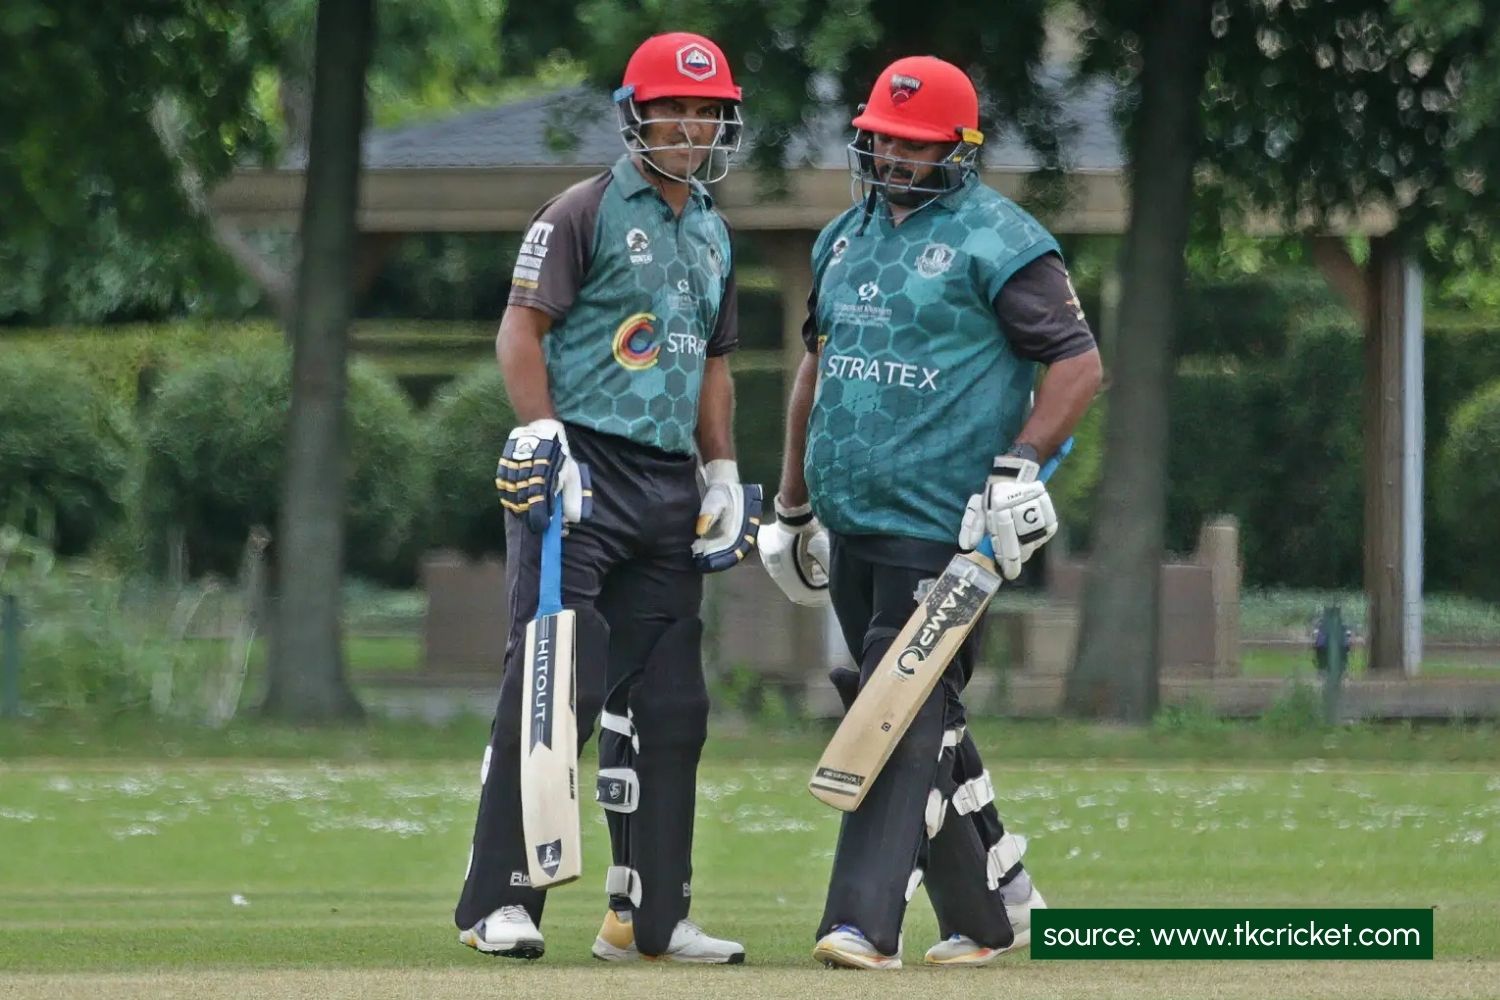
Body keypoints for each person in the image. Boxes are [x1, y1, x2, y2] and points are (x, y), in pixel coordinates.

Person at [759, 54, 1103, 970]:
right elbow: (817, 373)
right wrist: (790, 506)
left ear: (959, 148)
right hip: (851, 520)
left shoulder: (1005, 240)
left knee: (894, 708)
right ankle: (991, 913)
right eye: (885, 141)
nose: (897, 159)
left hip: (949, 528)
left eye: (918, 146)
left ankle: (860, 925)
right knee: (923, 711)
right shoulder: (840, 237)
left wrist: (1022, 467)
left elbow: (1078, 366)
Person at [454, 31, 758, 965]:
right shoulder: (581, 210)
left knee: (672, 703)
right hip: (577, 471)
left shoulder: (710, 228)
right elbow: (520, 330)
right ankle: (500, 902)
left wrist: (719, 473)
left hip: (667, 484)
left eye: (708, 111)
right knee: (556, 679)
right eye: (675, 108)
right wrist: (544, 433)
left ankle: (651, 920)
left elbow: (713, 368)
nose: (692, 125)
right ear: (637, 115)